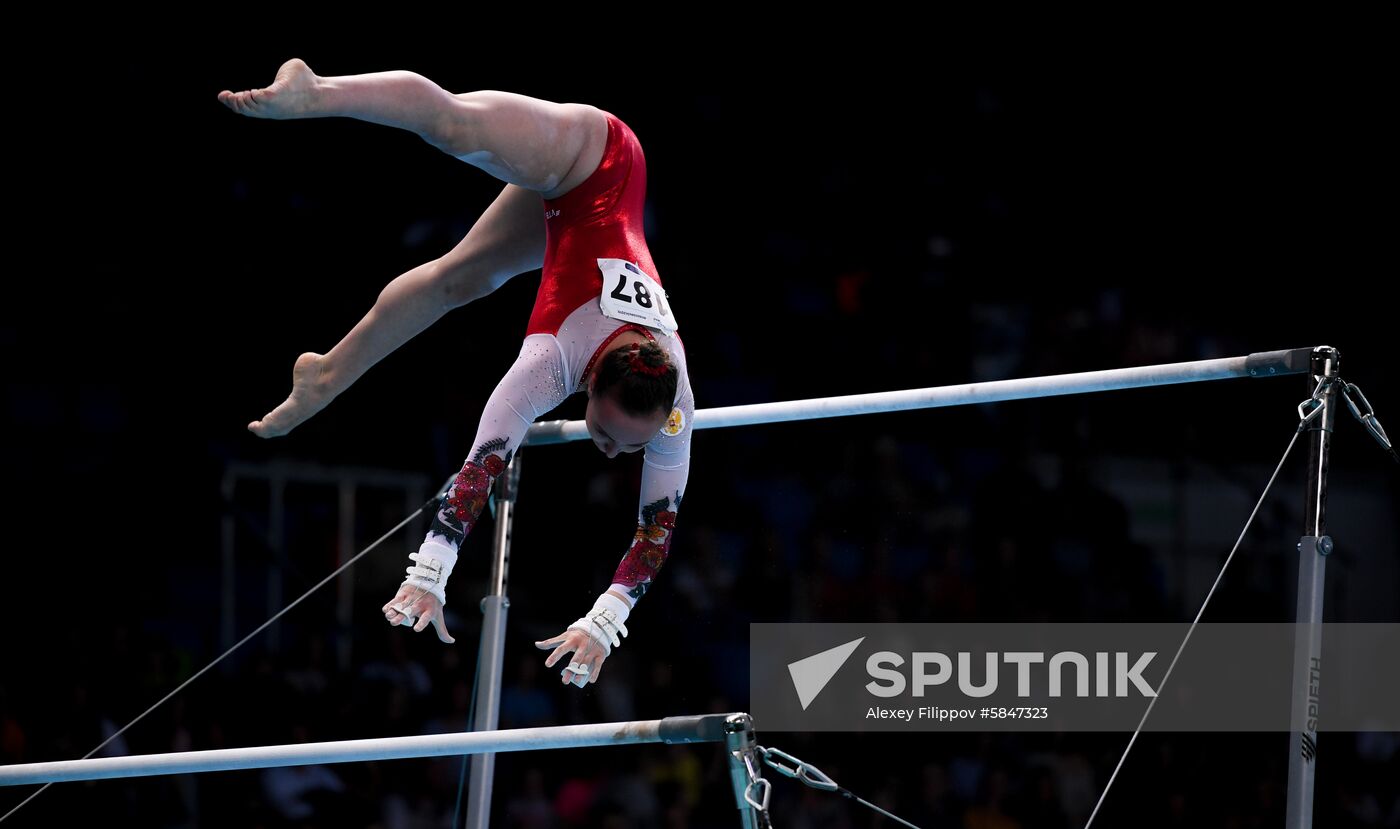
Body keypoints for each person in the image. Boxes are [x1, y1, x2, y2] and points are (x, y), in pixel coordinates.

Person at [220, 59, 694, 688]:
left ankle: (326, 375)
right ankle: (315, 93)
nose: (609, 452)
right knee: (452, 123)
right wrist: (428, 575)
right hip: (596, 156)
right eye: (606, 434)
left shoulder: (673, 402)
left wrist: (602, 622)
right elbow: (479, 470)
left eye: (627, 446)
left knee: (458, 279)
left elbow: (656, 531)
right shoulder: (549, 363)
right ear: (589, 381)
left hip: (578, 223)